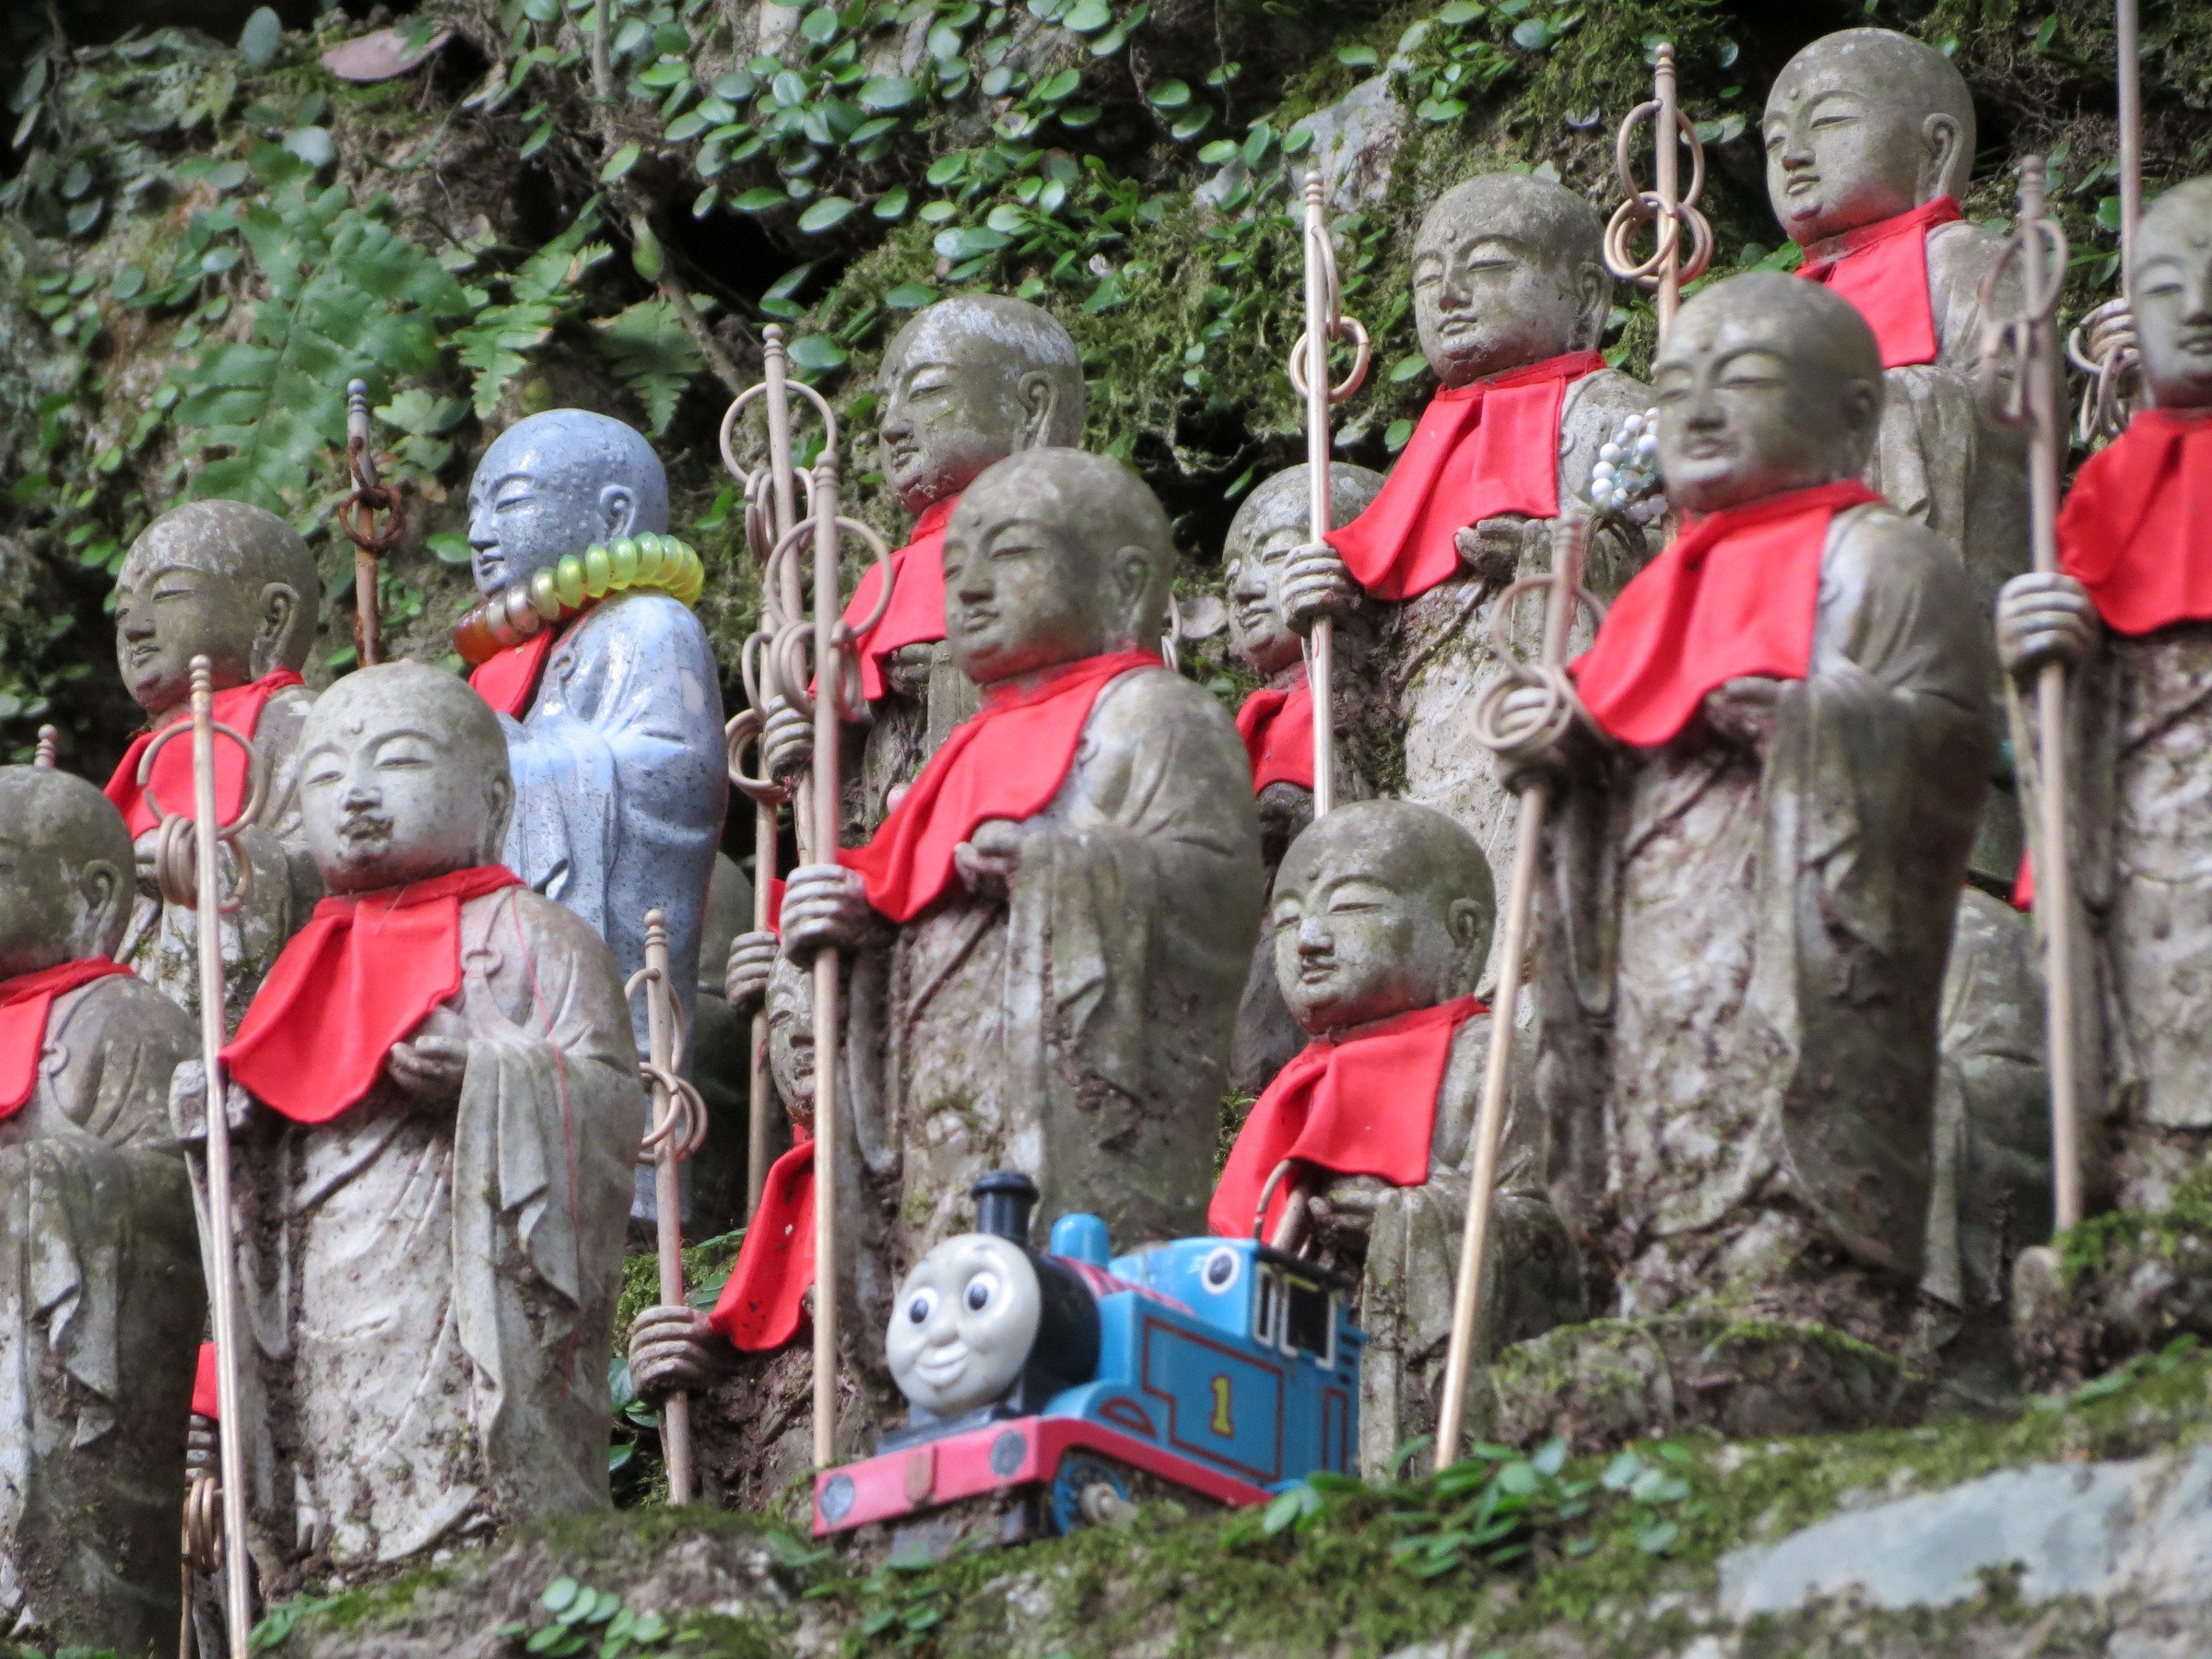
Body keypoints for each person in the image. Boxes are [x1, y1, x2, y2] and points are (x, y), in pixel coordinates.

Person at [1500, 273, 1993, 1359]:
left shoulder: (1882, 560)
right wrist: (1566, 752)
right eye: (1676, 392)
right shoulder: (1653, 592)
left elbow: (1953, 743)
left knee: (1778, 1168)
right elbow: (1615, 747)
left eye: (1747, 381)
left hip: (1799, 934)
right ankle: (1659, 1289)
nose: (1702, 414)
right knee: (1661, 1114)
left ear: (1855, 415)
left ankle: (1804, 1304)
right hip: (1660, 935)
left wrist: (1818, 721)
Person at [758, 448, 1263, 1349]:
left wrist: (1060, 863)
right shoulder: (955, 754)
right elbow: (900, 902)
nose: (973, 591)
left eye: (1012, 555)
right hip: (938, 1110)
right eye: (955, 571)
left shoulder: (1153, 716)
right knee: (946, 1310)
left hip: (1074, 1121)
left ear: (1124, 577)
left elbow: (1214, 898)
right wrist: (849, 931)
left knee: (1059, 1318)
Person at [175, 663, 642, 1574]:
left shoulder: (534, 936)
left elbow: (612, 1100)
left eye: (396, 765)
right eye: (327, 775)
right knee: (336, 1455)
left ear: (494, 800)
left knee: (466, 1492)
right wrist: (222, 1111)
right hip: (331, 1283)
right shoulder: (300, 962)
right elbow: (263, 1144)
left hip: (467, 1278)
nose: (356, 796)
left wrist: (497, 1077)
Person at [1277, 172, 1654, 926]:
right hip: (1434, 747)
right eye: (1427, 277)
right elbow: (1382, 659)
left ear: (1586, 295)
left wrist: (1553, 557)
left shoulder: (1613, 416)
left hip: (1544, 731)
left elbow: (1679, 571)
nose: (1448, 293)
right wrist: (1334, 618)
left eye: (1485, 265)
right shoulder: (1423, 455)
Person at [1210, 800, 1581, 1473]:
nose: (1310, 940)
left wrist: (1405, 1220)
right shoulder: (1290, 1094)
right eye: (1289, 918)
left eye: (1350, 909)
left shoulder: (1494, 1062)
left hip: (1424, 1393)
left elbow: (1558, 1241)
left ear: (1462, 933)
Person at [1765, 26, 2030, 879]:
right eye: (1774, 141)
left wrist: (1866, 415)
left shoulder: (1971, 265)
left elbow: (2009, 424)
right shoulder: (1770, 313)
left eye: (1829, 123)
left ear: (1937, 147)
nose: (1795, 155)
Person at [1995, 175, 2212, 1215]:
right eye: (2168, 287)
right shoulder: (2106, 488)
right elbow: (2056, 715)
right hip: (2146, 845)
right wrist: (2039, 652)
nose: (2201, 309)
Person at [457, 409, 724, 1219]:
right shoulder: (515, 663)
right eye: (473, 509)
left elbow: (675, 779)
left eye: (508, 502)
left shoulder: (648, 625)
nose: (479, 534)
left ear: (614, 516)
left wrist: (510, 758)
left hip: (610, 961)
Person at [0, 763, 201, 1653]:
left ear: (94, 891)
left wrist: (47, 1180)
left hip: (68, 1384)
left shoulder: (128, 1020)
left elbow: (177, 1197)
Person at [761, 295, 1087, 833]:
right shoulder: (887, 578)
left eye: (927, 391)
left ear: (1033, 408)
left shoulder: (1075, 548)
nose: (891, 427)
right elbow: (844, 752)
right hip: (895, 838)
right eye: (887, 403)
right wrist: (813, 738)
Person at [104, 500, 322, 1025]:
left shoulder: (301, 725)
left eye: (168, 594)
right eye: (124, 609)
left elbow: (340, 866)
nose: (135, 627)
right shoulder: (142, 758)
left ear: (273, 617)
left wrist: (209, 863)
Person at [1220, 462, 1384, 1092]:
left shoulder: (1359, 685)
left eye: (1276, 556)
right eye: (1233, 572)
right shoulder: (1253, 717)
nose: (1244, 590)